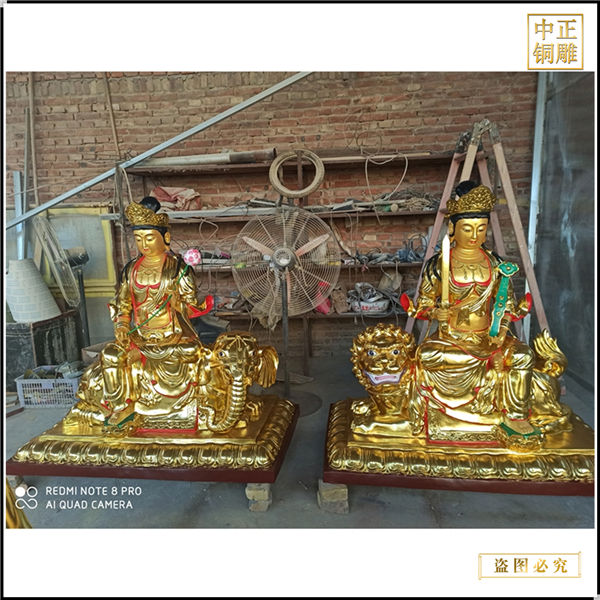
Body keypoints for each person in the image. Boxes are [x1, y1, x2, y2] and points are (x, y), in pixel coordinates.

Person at [402, 182, 534, 441]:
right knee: (426, 355)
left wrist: (501, 331)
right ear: (452, 228)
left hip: (489, 337)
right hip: (452, 339)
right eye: (467, 228)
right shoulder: (438, 264)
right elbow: (424, 302)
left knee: (523, 356)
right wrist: (434, 313)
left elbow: (507, 305)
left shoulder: (496, 264)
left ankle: (516, 418)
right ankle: (448, 414)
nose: (474, 235)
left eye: (481, 228)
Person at [68, 197, 213, 429]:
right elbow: (123, 304)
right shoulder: (130, 270)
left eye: (149, 238)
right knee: (111, 356)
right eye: (138, 238)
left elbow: (191, 306)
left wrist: (178, 303)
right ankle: (120, 408)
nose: (143, 244)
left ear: (165, 237)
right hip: (140, 339)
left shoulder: (178, 269)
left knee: (192, 352)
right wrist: (122, 326)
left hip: (172, 339)